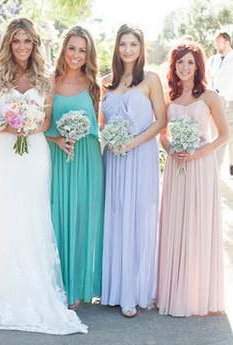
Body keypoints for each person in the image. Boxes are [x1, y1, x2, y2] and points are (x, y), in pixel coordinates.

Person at [0, 18, 87, 335]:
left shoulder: (45, 78)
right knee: (4, 217)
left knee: (32, 217)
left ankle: (35, 290)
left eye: (27, 41)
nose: (22, 47)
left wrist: (29, 126)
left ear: (35, 44)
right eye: (17, 41)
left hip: (33, 153)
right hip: (5, 152)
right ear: (9, 44)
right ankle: (1, 289)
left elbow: (46, 120)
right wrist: (10, 125)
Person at [157, 42, 228, 317]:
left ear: (198, 66)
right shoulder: (169, 97)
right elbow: (162, 134)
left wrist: (198, 153)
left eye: (189, 62)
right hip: (176, 166)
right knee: (176, 222)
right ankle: (174, 289)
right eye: (179, 63)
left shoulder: (209, 96)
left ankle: (198, 292)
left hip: (201, 166)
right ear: (173, 67)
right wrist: (171, 149)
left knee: (198, 224)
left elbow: (224, 135)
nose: (184, 68)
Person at [100, 24, 166, 318]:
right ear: (117, 47)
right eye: (123, 44)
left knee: (138, 217)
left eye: (133, 44)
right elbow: (101, 123)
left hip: (140, 156)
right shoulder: (106, 81)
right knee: (115, 216)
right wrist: (111, 140)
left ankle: (133, 292)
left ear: (142, 48)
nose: (128, 49)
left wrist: (131, 144)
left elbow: (160, 121)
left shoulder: (151, 79)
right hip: (113, 158)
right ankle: (113, 288)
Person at [45, 26, 104, 310]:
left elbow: (99, 125)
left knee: (82, 217)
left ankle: (79, 287)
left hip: (87, 158)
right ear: (63, 49)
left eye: (82, 50)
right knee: (56, 216)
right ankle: (57, 283)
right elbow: (41, 125)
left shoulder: (94, 84)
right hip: (57, 157)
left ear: (88, 54)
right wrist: (56, 138)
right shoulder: (49, 82)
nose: (76, 55)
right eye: (72, 48)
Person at [207, 32, 233, 174]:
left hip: (230, 100)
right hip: (214, 100)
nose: (216, 45)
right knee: (216, 133)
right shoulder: (212, 59)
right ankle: (218, 166)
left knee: (225, 134)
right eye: (215, 42)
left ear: (227, 42)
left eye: (219, 42)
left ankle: (219, 166)